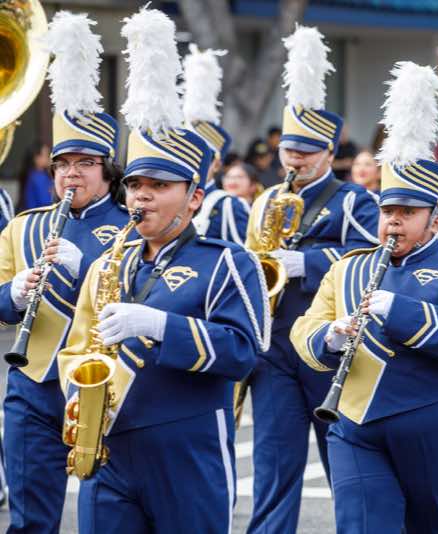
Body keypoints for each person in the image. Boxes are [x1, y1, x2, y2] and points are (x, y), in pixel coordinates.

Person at [57, 8, 270, 532]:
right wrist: (79, 396)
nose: (141, 197)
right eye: (134, 185)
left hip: (188, 450)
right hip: (110, 449)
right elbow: (76, 348)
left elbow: (243, 353)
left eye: (158, 186)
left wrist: (159, 326)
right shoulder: (109, 263)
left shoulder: (227, 262)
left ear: (194, 197)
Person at [290, 59, 438, 534]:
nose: (394, 221)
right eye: (388, 211)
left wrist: (398, 311)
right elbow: (304, 329)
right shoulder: (347, 268)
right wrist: (330, 337)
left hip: (434, 423)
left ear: (435, 221)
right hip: (353, 424)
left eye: (407, 212)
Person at [0, 12, 132, 533]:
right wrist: (14, 292)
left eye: (84, 163)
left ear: (107, 170)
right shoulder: (24, 226)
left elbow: (135, 299)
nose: (70, 174)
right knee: (30, 518)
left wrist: (84, 272)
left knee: (109, 517)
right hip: (31, 382)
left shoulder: (131, 227)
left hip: (101, 382)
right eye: (62, 165)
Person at [245, 25, 379, 534]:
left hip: (328, 342)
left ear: (329, 150)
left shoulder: (354, 200)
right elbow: (254, 258)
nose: (295, 159)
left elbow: (371, 258)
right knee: (273, 461)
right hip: (276, 343)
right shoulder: (266, 199)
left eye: (307, 150)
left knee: (343, 458)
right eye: (289, 150)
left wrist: (309, 262)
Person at [183, 44, 250, 245]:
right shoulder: (172, 198)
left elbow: (242, 254)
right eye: (188, 157)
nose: (194, 164)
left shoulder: (228, 205)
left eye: (202, 159)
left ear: (217, 164)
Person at [16, 140, 52, 210]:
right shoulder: (38, 177)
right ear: (36, 158)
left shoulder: (31, 174)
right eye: (47, 155)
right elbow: (46, 202)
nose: (50, 158)